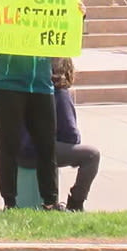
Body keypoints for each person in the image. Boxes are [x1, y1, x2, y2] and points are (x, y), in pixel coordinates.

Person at [0, 0, 62, 211]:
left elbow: (65, 32)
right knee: (7, 146)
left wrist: (77, 16)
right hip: (8, 82)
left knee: (46, 144)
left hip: (41, 82)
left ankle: (51, 201)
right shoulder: (5, 0)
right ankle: (10, 202)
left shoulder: (49, 5)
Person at [19, 57, 100, 212]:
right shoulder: (59, 93)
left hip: (19, 150)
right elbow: (71, 136)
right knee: (91, 156)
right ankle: (76, 203)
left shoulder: (29, 86)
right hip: (36, 153)